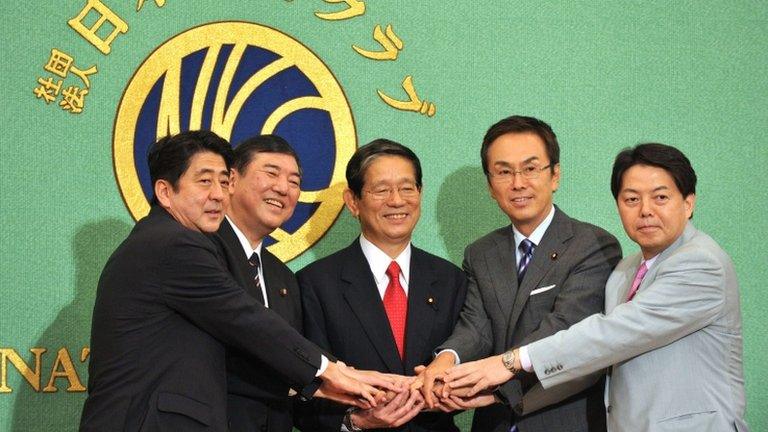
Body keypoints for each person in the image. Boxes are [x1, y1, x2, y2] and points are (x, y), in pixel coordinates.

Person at [80, 130, 392, 432]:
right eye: (204, 182)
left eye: (222, 181)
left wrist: (330, 385)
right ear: (165, 191)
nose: (218, 194)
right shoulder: (172, 243)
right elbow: (245, 319)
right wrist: (330, 372)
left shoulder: (175, 243)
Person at [444, 143, 749, 432]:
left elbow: (613, 334)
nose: (645, 210)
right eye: (631, 199)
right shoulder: (625, 271)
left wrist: (511, 361)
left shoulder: (701, 263)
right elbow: (593, 361)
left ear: (689, 202)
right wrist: (502, 396)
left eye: (660, 197)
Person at [417, 116, 622, 432]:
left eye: (530, 168)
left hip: (563, 419)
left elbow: (563, 330)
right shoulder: (480, 253)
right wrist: (446, 362)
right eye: (503, 172)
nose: (518, 183)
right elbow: (476, 326)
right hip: (494, 424)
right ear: (490, 185)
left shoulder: (593, 246)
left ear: (555, 175)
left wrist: (491, 385)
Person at [296, 139, 467, 431]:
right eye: (381, 190)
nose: (397, 200)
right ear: (353, 201)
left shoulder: (451, 279)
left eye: (406, 188)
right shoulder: (314, 284)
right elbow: (301, 388)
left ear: (420, 194)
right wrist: (356, 422)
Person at [208, 135, 307, 431]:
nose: (283, 188)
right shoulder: (201, 251)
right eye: (271, 173)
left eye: (294, 181)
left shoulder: (284, 277)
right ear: (232, 181)